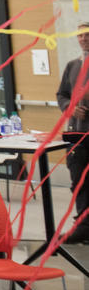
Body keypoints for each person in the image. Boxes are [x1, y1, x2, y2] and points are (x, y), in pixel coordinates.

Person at [57, 21, 89, 243]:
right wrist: (71, 108)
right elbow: (62, 95)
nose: (83, 39)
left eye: (87, 35)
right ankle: (83, 226)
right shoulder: (72, 65)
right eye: (80, 35)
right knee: (79, 179)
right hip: (77, 135)